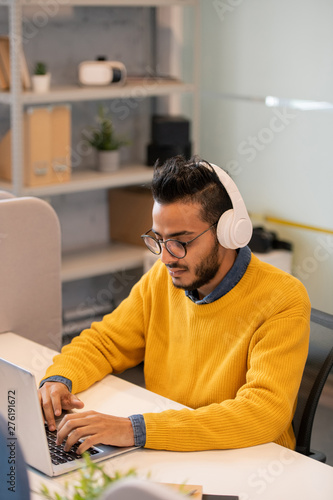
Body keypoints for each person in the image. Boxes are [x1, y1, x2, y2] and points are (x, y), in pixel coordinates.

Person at [38, 156, 311, 454]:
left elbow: (263, 413)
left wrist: (134, 430)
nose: (167, 258)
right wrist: (59, 379)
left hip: (249, 459)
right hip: (169, 448)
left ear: (229, 232)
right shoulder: (163, 277)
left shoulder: (283, 298)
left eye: (181, 241)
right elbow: (106, 342)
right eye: (160, 239)